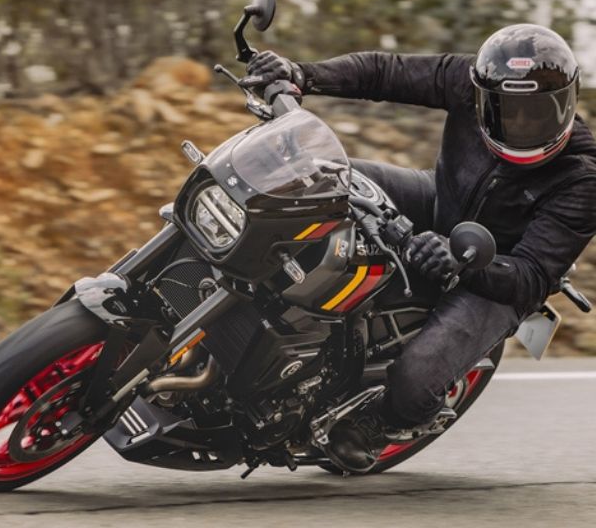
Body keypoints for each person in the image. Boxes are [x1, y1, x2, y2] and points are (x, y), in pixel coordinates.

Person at [243, 24, 596, 472]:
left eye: (536, 112)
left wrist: (464, 265)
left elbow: (531, 277)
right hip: (438, 201)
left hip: (495, 272)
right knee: (319, 176)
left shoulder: (582, 176)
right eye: (506, 110)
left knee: (416, 380)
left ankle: (386, 422)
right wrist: (302, 74)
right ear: (482, 96)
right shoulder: (468, 79)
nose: (520, 124)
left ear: (567, 104)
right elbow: (384, 72)